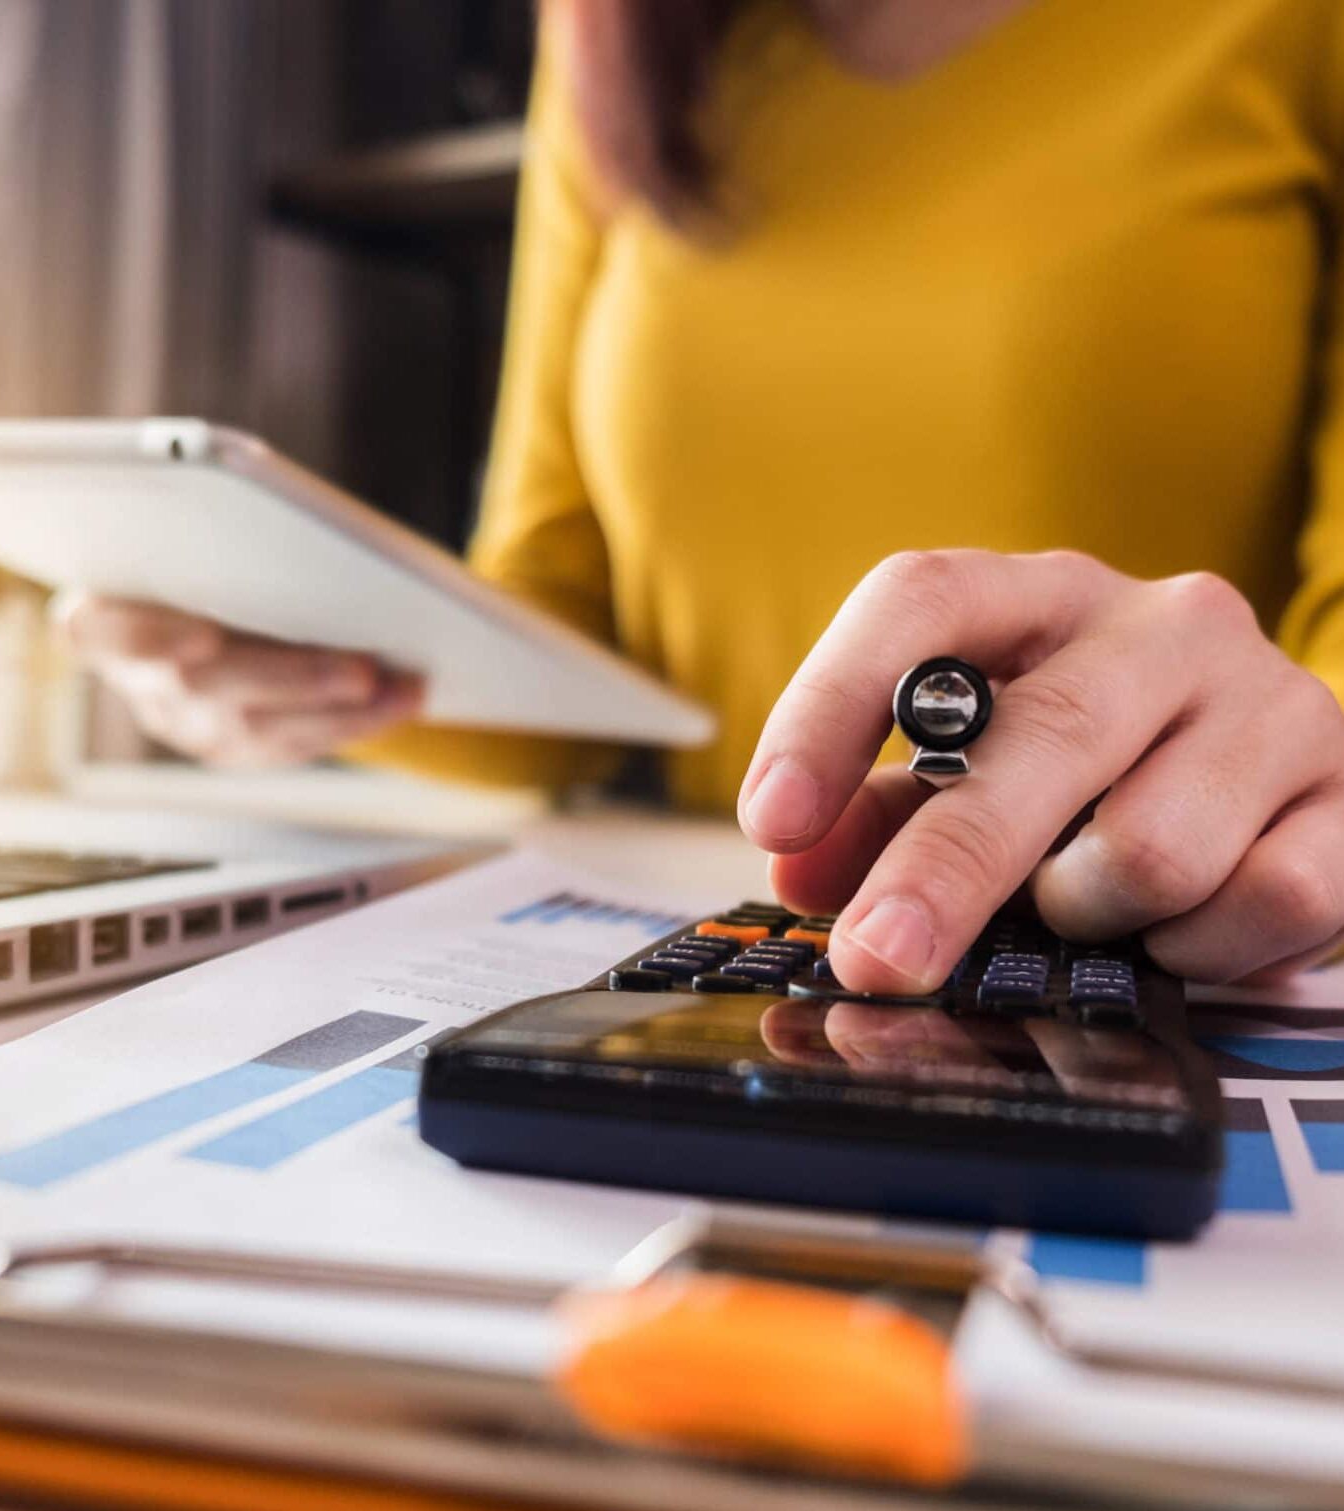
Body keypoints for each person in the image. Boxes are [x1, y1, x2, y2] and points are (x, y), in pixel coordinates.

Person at [66, 0, 1344, 993]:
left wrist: (1291, 775)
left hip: (1130, 940)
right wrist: (284, 633)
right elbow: (559, 634)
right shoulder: (625, 54)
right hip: (727, 940)